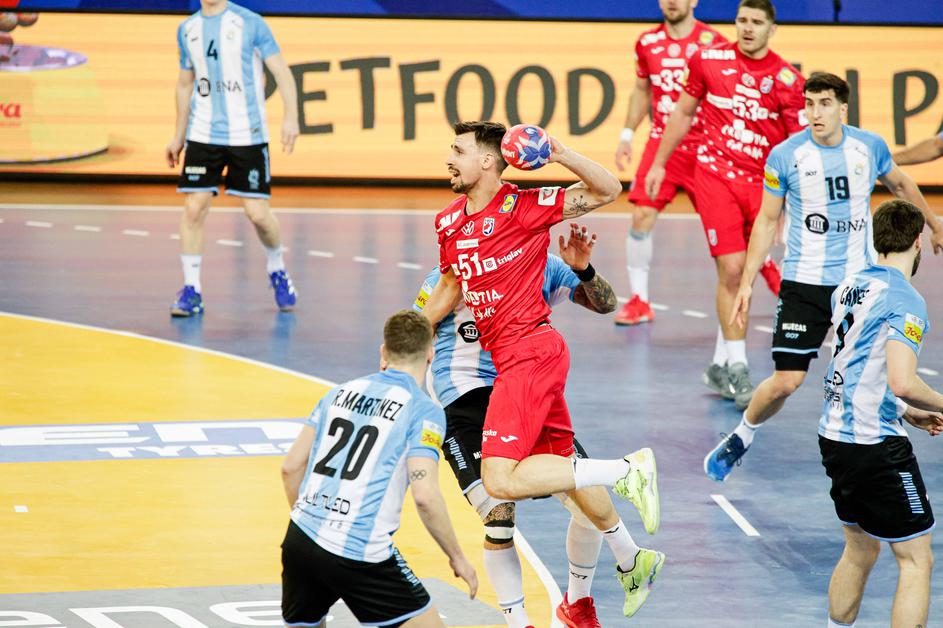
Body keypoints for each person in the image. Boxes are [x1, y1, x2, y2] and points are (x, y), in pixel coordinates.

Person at [423, 120, 664, 619]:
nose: (448, 159)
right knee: (545, 484)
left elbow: (608, 190)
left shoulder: (524, 209)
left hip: (527, 357)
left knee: (500, 480)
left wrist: (558, 152)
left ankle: (627, 470)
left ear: (487, 161)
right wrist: (410, 337)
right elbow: (448, 285)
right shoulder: (448, 223)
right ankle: (629, 562)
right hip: (486, 380)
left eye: (458, 151)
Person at [704, 72, 943, 482]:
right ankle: (743, 434)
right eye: (809, 104)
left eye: (825, 104)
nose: (815, 113)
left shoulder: (869, 147)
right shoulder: (786, 155)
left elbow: (902, 184)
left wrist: (934, 224)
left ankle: (894, 427)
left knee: (872, 369)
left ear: (842, 108)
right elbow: (766, 220)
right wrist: (746, 283)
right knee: (786, 381)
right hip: (805, 282)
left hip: (860, 283)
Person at [415, 223, 617, 627]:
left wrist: (585, 270)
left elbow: (606, 305)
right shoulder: (448, 274)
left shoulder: (543, 265)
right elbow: (415, 332)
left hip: (522, 391)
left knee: (590, 503)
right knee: (499, 515)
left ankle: (577, 604)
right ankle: (517, 620)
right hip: (464, 400)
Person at [645, 0, 806, 409]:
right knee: (732, 269)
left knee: (750, 270)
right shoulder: (708, 59)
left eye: (757, 22)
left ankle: (720, 363)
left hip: (764, 187)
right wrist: (660, 162)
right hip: (715, 176)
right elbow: (682, 113)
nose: (747, 28)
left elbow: (797, 149)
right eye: (741, 20)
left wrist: (792, 204)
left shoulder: (787, 80)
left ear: (772, 28)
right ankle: (737, 366)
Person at [279, 310, 478, 628]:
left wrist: (313, 525)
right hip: (360, 550)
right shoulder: (423, 410)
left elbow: (290, 468)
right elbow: (425, 497)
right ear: (430, 354)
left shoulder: (337, 393)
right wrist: (458, 558)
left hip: (300, 538)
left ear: (383, 352)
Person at [818, 200, 943, 628]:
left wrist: (904, 410)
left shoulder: (848, 287)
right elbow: (902, 380)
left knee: (859, 548)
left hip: (835, 436)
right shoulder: (905, 299)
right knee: (916, 560)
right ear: (917, 241)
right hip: (875, 444)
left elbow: (858, 365)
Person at [165, 0, 300, 317]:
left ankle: (277, 267)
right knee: (194, 208)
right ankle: (192, 291)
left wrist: (291, 117)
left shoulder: (250, 23)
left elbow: (282, 72)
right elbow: (185, 84)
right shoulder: (188, 29)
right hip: (203, 133)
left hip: (247, 134)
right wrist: (178, 136)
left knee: (258, 214)